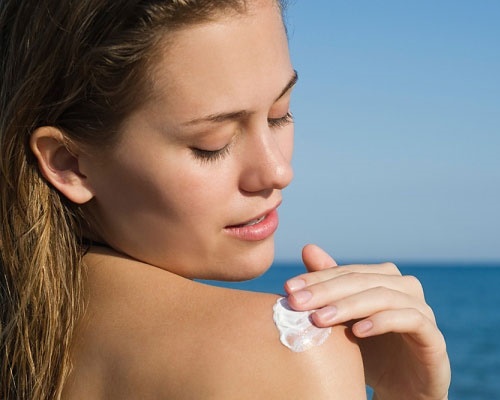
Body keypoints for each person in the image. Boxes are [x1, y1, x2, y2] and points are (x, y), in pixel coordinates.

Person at [0, 0, 450, 399]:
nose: (277, 172)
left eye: (279, 115)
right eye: (212, 144)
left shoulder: (24, 335)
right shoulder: (293, 351)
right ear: (69, 163)